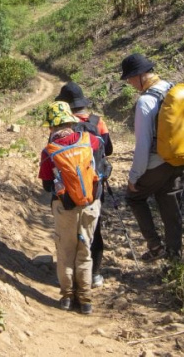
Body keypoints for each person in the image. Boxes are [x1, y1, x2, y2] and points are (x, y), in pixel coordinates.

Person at [120, 53, 184, 261]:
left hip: (158, 163)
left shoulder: (146, 101)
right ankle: (175, 257)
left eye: (129, 78)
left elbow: (143, 146)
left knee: (134, 197)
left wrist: (134, 177)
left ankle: (156, 247)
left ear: (140, 75)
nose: (129, 83)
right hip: (181, 158)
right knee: (170, 206)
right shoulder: (173, 89)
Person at [38, 101, 101, 314]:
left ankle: (66, 297)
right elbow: (100, 166)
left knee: (65, 251)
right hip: (90, 204)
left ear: (51, 127)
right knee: (85, 251)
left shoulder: (49, 151)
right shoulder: (89, 140)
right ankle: (85, 300)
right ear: (71, 121)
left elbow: (47, 184)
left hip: (64, 207)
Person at [55, 82, 113, 288]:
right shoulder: (98, 122)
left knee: (69, 235)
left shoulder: (62, 127)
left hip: (66, 192)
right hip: (94, 187)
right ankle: (94, 275)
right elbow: (109, 150)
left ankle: (69, 280)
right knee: (94, 230)